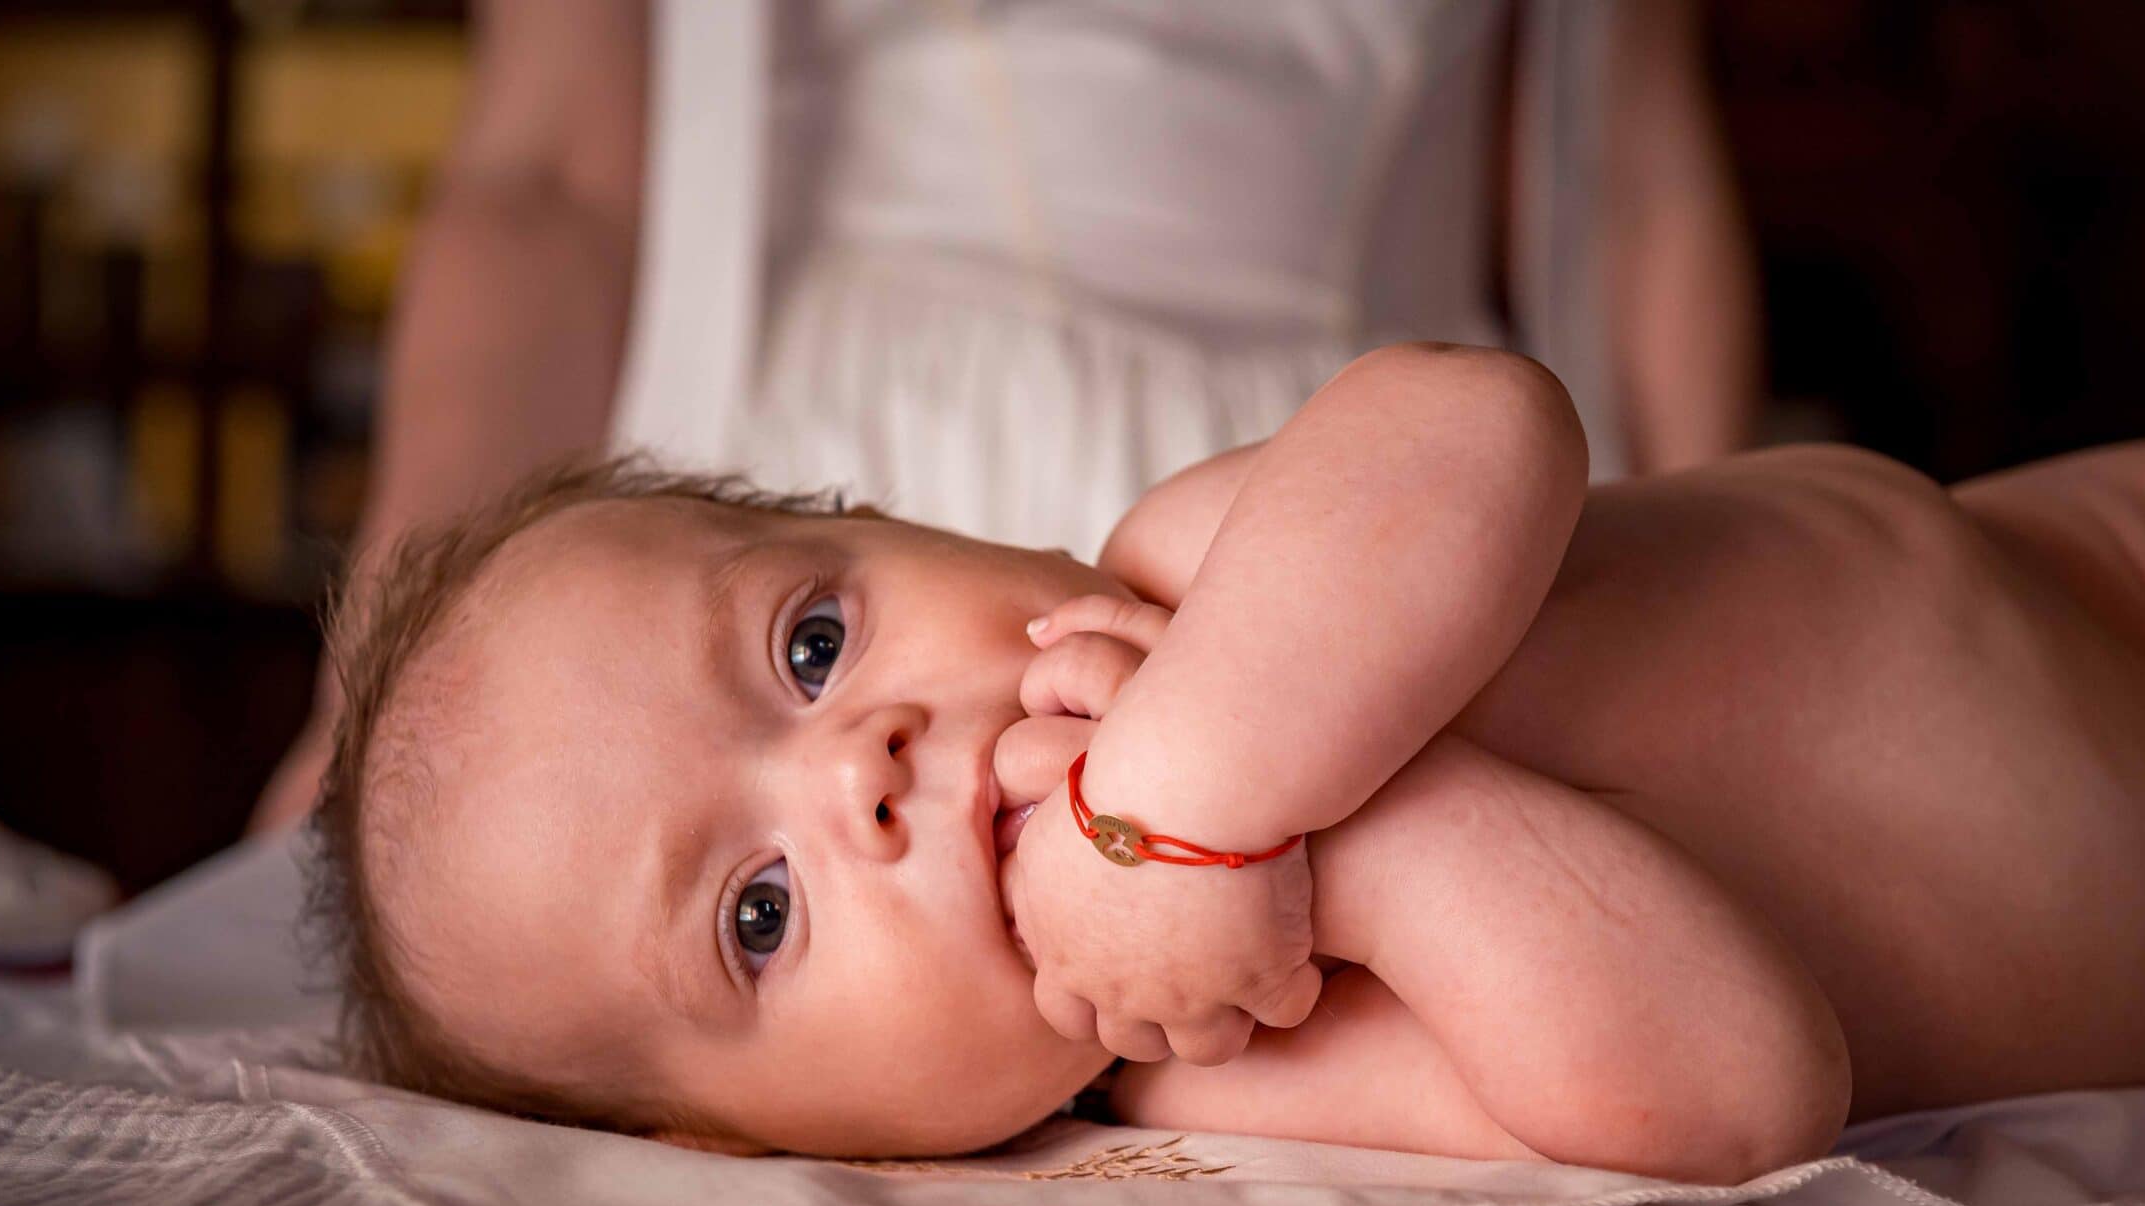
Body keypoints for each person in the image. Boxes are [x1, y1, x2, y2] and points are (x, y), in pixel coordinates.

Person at [307, 343, 2145, 1183]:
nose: (852, 770)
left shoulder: (1199, 569)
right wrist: (1338, 864)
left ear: (891, 520)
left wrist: (1191, 795)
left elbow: (1483, 429)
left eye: (809, 637)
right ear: (797, 1148)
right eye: (757, 918)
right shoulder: (1239, 1064)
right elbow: (1735, 1086)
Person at [251, 0, 1759, 830]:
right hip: (826, 532)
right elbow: (551, 184)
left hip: (1380, 545)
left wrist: (1724, 620)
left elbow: (1627, 187)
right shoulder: (831, 743)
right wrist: (376, 682)